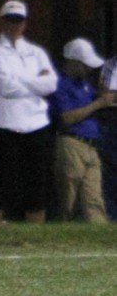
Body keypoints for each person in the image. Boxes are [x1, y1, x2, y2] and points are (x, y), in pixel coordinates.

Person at [0, 0, 57, 223]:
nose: (14, 25)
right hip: (2, 125)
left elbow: (51, 84)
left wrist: (20, 81)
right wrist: (35, 83)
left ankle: (35, 239)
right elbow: (5, 88)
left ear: (25, 23)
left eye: (18, 20)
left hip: (36, 125)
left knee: (37, 185)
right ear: (1, 22)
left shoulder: (37, 52)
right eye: (10, 20)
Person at [48, 38, 113, 222]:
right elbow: (67, 118)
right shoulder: (60, 83)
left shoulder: (84, 84)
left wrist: (104, 96)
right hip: (71, 145)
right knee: (68, 200)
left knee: (94, 200)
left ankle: (100, 240)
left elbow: (98, 98)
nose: (89, 69)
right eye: (85, 65)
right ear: (73, 62)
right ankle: (62, 238)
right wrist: (98, 103)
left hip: (91, 147)